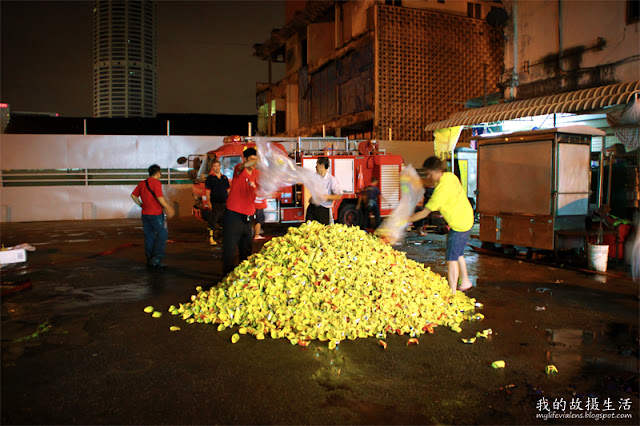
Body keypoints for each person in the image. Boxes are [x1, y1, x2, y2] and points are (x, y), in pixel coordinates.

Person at [408, 156, 474, 294]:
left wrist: (406, 219)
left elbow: (424, 213)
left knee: (451, 259)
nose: (428, 176)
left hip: (459, 225)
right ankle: (466, 280)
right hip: (467, 217)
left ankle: (453, 292)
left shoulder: (440, 191)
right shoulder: (450, 176)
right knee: (458, 252)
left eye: (430, 173)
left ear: (437, 171)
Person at [131, 164, 175, 270]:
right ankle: (156, 259)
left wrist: (141, 205)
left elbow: (133, 195)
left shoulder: (142, 183)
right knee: (162, 235)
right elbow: (160, 198)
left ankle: (149, 259)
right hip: (156, 214)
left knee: (149, 236)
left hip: (145, 214)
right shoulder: (156, 183)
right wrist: (169, 207)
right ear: (158, 173)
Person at [223, 147, 258, 275]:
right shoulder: (239, 169)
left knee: (247, 246)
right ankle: (227, 274)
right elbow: (244, 166)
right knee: (230, 246)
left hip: (248, 216)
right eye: (252, 159)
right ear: (245, 159)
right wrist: (260, 159)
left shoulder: (256, 174)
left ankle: (244, 273)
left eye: (256, 159)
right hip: (233, 214)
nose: (254, 163)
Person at [305, 156, 342, 225]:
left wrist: (325, 197)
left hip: (323, 210)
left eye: (317, 165)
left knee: (322, 231)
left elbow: (338, 196)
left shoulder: (331, 179)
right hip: (312, 207)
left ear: (322, 166)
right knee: (308, 229)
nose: (315, 167)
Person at [203, 160, 229, 245]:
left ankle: (222, 237)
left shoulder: (224, 178)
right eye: (215, 166)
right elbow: (207, 191)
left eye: (218, 165)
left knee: (223, 221)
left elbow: (228, 190)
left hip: (224, 203)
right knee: (213, 221)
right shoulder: (210, 178)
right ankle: (210, 238)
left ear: (220, 167)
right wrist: (208, 202)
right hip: (215, 203)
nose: (217, 167)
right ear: (212, 168)